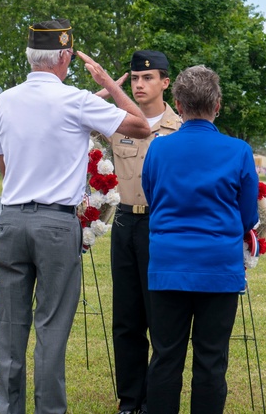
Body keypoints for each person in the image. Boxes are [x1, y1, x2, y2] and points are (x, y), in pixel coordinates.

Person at [0, 18, 151, 414]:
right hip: (56, 224)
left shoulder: (5, 101)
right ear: (64, 56)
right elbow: (141, 126)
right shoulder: (77, 100)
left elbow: (5, 166)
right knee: (52, 329)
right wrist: (112, 86)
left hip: (11, 220)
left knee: (11, 329)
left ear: (30, 57)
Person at [141, 65, 259, 414]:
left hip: (167, 267)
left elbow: (151, 195)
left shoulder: (159, 149)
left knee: (165, 357)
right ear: (217, 105)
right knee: (211, 360)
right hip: (218, 269)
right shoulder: (238, 151)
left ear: (177, 104)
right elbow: (248, 216)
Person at [109, 50, 182, 414]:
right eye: (135, 78)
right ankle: (130, 399)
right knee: (126, 318)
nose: (139, 84)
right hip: (124, 223)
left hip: (160, 225)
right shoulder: (116, 121)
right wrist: (108, 92)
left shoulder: (179, 128)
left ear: (165, 82)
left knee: (160, 316)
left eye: (148, 78)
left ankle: (157, 396)